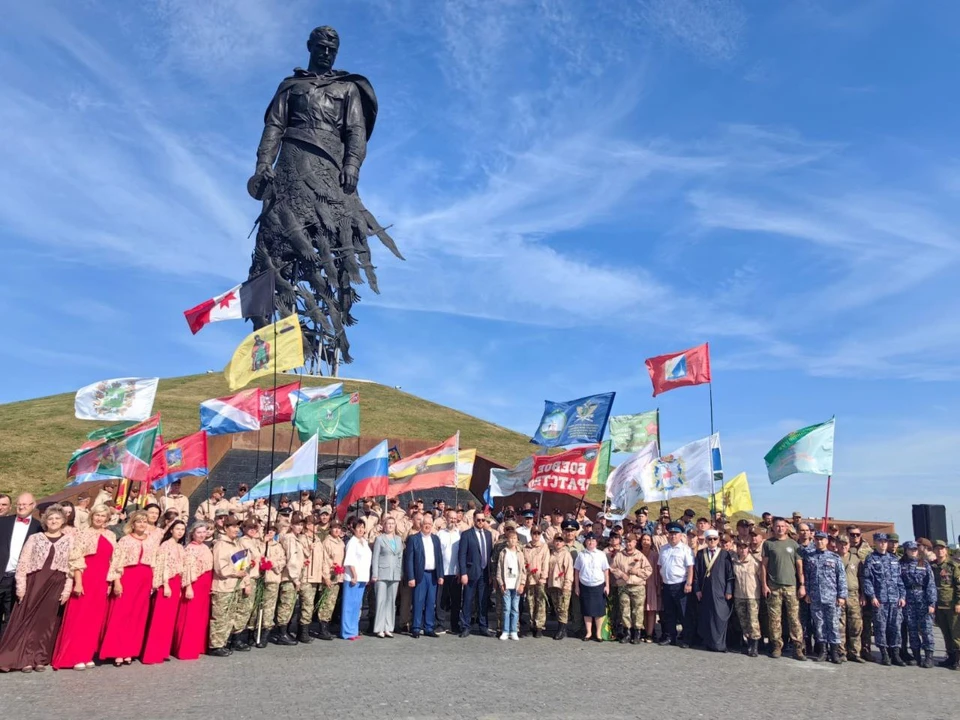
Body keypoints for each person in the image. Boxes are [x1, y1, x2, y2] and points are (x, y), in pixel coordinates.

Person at [0, 505, 73, 672]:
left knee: (46, 623)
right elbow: (23, 563)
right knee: (28, 621)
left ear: (63, 521)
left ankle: (40, 657)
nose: (54, 521)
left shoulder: (69, 540)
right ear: (46, 521)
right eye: (50, 518)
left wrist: (67, 589)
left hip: (56, 584)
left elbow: (71, 566)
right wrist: (21, 587)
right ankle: (24, 658)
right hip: (35, 583)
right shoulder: (35, 538)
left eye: (57, 518)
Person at [51, 504, 116, 670]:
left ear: (107, 518)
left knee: (94, 619)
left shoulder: (111, 535)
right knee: (79, 617)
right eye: (97, 515)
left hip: (102, 580)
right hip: (86, 577)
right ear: (91, 516)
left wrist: (110, 581)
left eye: (103, 516)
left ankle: (87, 654)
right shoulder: (83, 533)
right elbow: (76, 557)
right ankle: (73, 655)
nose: (100, 519)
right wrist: (78, 582)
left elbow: (113, 561)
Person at [99, 510, 161, 666]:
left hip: (145, 578)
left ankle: (130, 650)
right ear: (132, 524)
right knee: (122, 614)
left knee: (138, 615)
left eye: (144, 521)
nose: (142, 524)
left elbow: (155, 562)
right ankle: (117, 651)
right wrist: (117, 581)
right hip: (128, 577)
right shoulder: (125, 540)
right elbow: (116, 561)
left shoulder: (151, 541)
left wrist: (154, 582)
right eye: (139, 521)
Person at [141, 520, 187, 664]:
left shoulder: (180, 546)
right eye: (177, 528)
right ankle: (152, 653)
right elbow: (163, 566)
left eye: (182, 529)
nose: (180, 531)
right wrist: (165, 584)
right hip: (167, 582)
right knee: (160, 618)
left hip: (176, 581)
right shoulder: (165, 545)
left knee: (169, 619)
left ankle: (162, 650)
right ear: (171, 530)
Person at [761, 517, 806, 660]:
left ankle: (798, 647)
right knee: (774, 619)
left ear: (787, 528)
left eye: (782, 526)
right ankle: (776, 646)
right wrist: (764, 584)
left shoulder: (794, 545)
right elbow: (763, 566)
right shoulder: (768, 544)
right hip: (774, 586)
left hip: (791, 586)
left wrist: (802, 585)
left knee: (794, 618)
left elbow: (799, 567)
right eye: (777, 526)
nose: (780, 528)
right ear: (773, 528)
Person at [207, 516, 252, 657]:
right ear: (225, 528)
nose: (236, 529)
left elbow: (243, 564)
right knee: (220, 616)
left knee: (231, 615)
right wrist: (236, 573)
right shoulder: (221, 544)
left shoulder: (237, 543)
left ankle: (225, 641)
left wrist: (245, 581)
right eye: (233, 527)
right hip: (223, 586)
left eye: (238, 527)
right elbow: (221, 568)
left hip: (235, 586)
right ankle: (215, 645)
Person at [0, 493, 42, 639]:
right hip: (1, 575)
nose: (22, 507)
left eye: (26, 504)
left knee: (11, 616)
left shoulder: (38, 527)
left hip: (19, 579)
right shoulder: (3, 522)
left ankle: (3, 649)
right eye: (20, 504)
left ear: (33, 505)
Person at [862, 533, 906, 666]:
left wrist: (902, 596)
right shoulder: (871, 559)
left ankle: (896, 654)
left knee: (896, 627)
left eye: (885, 541)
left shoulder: (893, 559)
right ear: (875, 542)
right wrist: (872, 596)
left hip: (894, 600)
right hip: (880, 600)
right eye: (880, 541)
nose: (883, 544)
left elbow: (899, 580)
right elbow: (867, 580)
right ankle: (884, 654)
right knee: (881, 627)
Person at [172, 522, 214, 660]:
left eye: (204, 532)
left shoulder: (206, 547)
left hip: (205, 584)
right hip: (195, 583)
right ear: (193, 534)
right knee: (191, 615)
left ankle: (197, 645)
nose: (202, 535)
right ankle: (186, 648)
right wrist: (188, 586)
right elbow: (187, 569)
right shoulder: (190, 549)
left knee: (201, 616)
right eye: (199, 532)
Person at [805, 530, 847, 664]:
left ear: (827, 541)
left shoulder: (834, 558)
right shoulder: (810, 557)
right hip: (815, 597)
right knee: (819, 625)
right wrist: (807, 592)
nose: (819, 541)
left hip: (832, 597)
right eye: (817, 539)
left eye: (822, 539)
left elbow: (841, 578)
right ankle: (822, 651)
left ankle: (834, 652)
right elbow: (807, 577)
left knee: (834, 625)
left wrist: (842, 595)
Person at [694, 528, 734, 652]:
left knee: (720, 617)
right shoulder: (701, 554)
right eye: (709, 539)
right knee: (707, 616)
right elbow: (696, 574)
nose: (712, 541)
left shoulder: (724, 554)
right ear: (705, 540)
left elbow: (730, 575)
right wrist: (697, 590)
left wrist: (729, 590)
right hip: (705, 591)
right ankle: (709, 643)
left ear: (718, 540)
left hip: (720, 591)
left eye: (714, 539)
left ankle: (720, 645)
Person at [405, 513, 443, 639]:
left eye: (430, 524)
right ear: (421, 525)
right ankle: (416, 627)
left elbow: (439, 559)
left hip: (432, 575)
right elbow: (409, 559)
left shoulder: (436, 539)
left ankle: (429, 627)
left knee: (431, 602)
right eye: (425, 524)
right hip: (419, 575)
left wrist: (440, 575)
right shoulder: (413, 539)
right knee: (418, 601)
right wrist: (410, 577)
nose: (427, 526)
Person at [899, 540, 936, 668]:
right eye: (911, 549)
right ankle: (916, 655)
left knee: (926, 628)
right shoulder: (901, 564)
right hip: (908, 600)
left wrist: (931, 603)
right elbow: (899, 583)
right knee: (912, 629)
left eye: (915, 549)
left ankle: (929, 656)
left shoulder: (924, 564)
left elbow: (930, 584)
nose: (913, 551)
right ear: (906, 550)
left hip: (922, 599)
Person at [611, 532, 652, 644]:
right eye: (626, 541)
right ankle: (627, 632)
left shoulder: (640, 556)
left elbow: (649, 570)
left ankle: (637, 633)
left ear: (635, 542)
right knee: (625, 610)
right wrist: (621, 574)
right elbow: (613, 568)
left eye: (630, 541)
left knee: (637, 611)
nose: (628, 543)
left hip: (637, 586)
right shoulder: (619, 555)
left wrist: (637, 571)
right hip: (623, 586)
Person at [658, 522, 694, 647]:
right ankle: (670, 637)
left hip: (680, 584)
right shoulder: (663, 549)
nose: (673, 536)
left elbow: (690, 568)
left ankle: (687, 638)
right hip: (667, 584)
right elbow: (660, 566)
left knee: (684, 613)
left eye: (676, 534)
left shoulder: (685, 549)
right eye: (671, 533)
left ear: (680, 535)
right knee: (669, 613)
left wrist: (689, 583)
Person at [458, 510, 494, 637]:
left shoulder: (489, 535)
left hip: (484, 573)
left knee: (483, 601)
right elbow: (462, 555)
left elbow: (490, 555)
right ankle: (465, 626)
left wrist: (490, 574)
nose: (481, 522)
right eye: (478, 520)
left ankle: (483, 626)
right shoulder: (467, 534)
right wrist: (463, 573)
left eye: (483, 520)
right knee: (468, 600)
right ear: (474, 520)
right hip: (470, 572)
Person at [574, 532, 611, 642]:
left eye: (593, 541)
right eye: (589, 541)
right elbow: (577, 571)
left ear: (596, 542)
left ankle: (598, 632)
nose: (590, 542)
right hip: (585, 585)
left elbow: (606, 570)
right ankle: (588, 632)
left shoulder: (601, 554)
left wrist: (607, 586)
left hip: (598, 585)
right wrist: (577, 586)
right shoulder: (581, 555)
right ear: (586, 542)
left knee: (599, 611)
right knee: (587, 610)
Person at [340, 517, 372, 641]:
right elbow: (350, 560)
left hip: (363, 577)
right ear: (353, 529)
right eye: (358, 527)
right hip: (353, 577)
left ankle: (353, 629)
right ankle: (347, 631)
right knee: (349, 605)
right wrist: (354, 575)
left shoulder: (364, 541)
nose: (361, 530)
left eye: (363, 527)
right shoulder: (352, 542)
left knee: (356, 605)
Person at [371, 515, 403, 638]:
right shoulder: (380, 539)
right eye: (388, 523)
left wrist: (399, 573)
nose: (390, 526)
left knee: (391, 601)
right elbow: (375, 557)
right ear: (384, 526)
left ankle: (389, 627)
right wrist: (375, 574)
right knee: (381, 601)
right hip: (382, 573)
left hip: (394, 574)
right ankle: (379, 628)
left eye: (392, 523)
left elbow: (400, 557)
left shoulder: (399, 539)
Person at [836, 534, 866, 663]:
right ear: (836, 545)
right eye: (841, 544)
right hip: (838, 595)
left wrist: (863, 594)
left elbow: (861, 577)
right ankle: (841, 652)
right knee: (840, 626)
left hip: (854, 595)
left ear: (849, 545)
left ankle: (855, 652)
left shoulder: (856, 559)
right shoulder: (834, 558)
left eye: (846, 544)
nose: (844, 546)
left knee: (855, 625)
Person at [931, 539, 960, 669]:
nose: (940, 551)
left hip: (952, 605)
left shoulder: (953, 566)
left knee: (956, 634)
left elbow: (958, 585)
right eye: (937, 548)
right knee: (946, 633)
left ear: (946, 550)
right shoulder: (932, 567)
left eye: (942, 548)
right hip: (939, 605)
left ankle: (958, 659)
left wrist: (959, 602)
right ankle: (950, 657)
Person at [731, 539, 762, 656]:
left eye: (744, 547)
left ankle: (754, 646)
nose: (742, 550)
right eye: (740, 547)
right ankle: (748, 642)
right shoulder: (734, 561)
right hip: (739, 595)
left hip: (752, 596)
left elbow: (761, 577)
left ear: (748, 548)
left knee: (753, 622)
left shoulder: (754, 562)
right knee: (743, 621)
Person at [315, 521, 345, 640]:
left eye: (339, 528)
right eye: (335, 528)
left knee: (331, 603)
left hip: (337, 576)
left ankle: (327, 626)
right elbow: (325, 561)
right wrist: (326, 576)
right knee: (326, 603)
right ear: (330, 529)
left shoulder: (340, 542)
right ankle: (322, 628)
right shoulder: (327, 542)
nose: (337, 530)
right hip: (329, 576)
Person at [495, 528, 526, 640]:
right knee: (506, 608)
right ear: (507, 540)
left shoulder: (520, 553)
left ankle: (514, 630)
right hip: (506, 584)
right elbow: (499, 569)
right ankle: (505, 630)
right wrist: (501, 583)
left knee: (515, 609)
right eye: (511, 538)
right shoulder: (503, 553)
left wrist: (522, 584)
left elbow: (523, 570)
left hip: (516, 584)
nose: (513, 541)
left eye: (515, 539)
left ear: (517, 540)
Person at [436, 509, 461, 634]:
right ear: (446, 518)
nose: (453, 520)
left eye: (455, 518)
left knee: (456, 600)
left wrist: (461, 570)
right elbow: (437, 554)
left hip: (456, 572)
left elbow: (462, 554)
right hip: (442, 572)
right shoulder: (440, 534)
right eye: (451, 518)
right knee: (441, 600)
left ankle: (455, 624)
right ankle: (440, 624)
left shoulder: (460, 534)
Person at [522, 525, 550, 638]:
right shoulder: (525, 547)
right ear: (531, 534)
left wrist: (543, 577)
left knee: (540, 603)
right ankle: (531, 624)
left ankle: (539, 626)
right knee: (530, 603)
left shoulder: (544, 547)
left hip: (540, 579)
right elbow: (523, 563)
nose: (536, 535)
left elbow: (545, 563)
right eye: (534, 533)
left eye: (538, 533)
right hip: (530, 579)